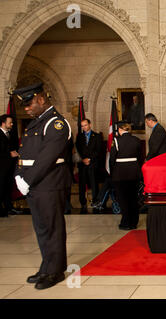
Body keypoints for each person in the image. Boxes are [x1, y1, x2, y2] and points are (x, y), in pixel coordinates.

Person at [13, 82, 72, 289]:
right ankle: (46, 266)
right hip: (36, 184)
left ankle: (55, 271)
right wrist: (19, 176)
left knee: (52, 228)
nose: (26, 108)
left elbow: (47, 157)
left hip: (49, 184)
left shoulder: (56, 124)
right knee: (41, 229)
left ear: (40, 99)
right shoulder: (36, 123)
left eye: (29, 104)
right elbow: (25, 154)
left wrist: (26, 180)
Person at [110, 121, 143, 230]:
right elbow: (140, 157)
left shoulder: (116, 140)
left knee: (123, 199)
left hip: (120, 173)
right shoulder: (137, 140)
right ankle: (134, 222)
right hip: (134, 172)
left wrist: (112, 172)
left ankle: (126, 222)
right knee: (133, 198)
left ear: (120, 130)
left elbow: (112, 159)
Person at [75, 119, 102, 214]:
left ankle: (95, 202)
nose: (84, 127)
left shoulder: (97, 136)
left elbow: (98, 150)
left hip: (92, 164)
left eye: (85, 125)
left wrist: (89, 159)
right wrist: (83, 159)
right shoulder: (79, 137)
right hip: (82, 164)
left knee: (94, 184)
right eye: (82, 126)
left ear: (90, 124)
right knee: (82, 185)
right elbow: (77, 149)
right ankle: (83, 203)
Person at [0, 114, 19, 217]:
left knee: (8, 188)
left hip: (9, 167)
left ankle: (9, 208)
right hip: (1, 168)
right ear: (3, 123)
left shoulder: (9, 134)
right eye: (10, 122)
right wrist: (9, 154)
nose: (12, 124)